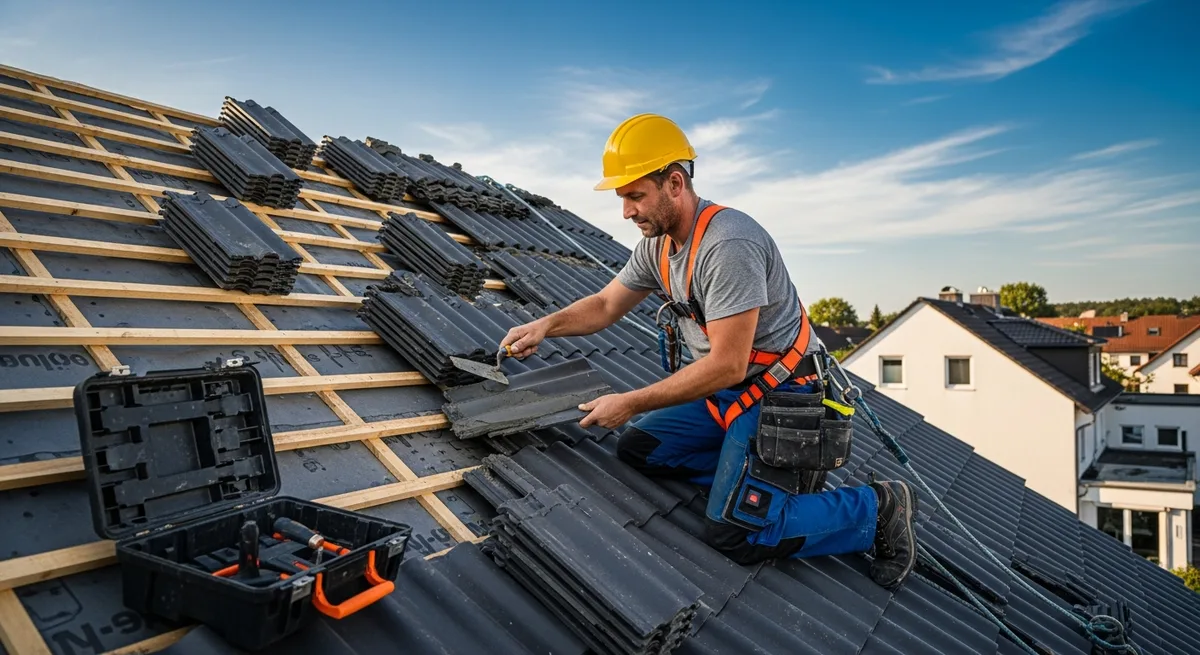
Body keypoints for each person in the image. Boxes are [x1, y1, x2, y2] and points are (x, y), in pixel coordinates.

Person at [499, 113, 917, 589]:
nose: (626, 212)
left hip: (779, 397)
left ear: (674, 183)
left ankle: (877, 508)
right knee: (640, 449)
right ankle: (752, 477)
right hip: (730, 397)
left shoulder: (728, 244)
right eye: (623, 199)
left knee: (736, 534)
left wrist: (630, 401)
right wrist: (545, 325)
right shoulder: (658, 246)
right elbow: (605, 304)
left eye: (635, 196)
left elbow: (727, 364)